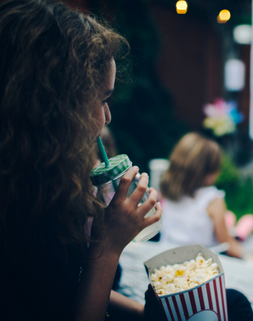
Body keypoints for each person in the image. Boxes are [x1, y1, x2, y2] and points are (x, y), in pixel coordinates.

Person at [0, 1, 162, 320]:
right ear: (55, 104)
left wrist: (145, 314)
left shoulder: (49, 179)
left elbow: (65, 287)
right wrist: (109, 245)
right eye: (102, 99)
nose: (107, 116)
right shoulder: (20, 212)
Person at [159, 133, 253, 258]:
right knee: (242, 222)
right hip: (196, 265)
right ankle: (239, 234)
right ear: (208, 172)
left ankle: (234, 228)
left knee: (229, 218)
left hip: (165, 256)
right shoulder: (211, 199)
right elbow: (227, 245)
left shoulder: (166, 190)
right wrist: (248, 256)